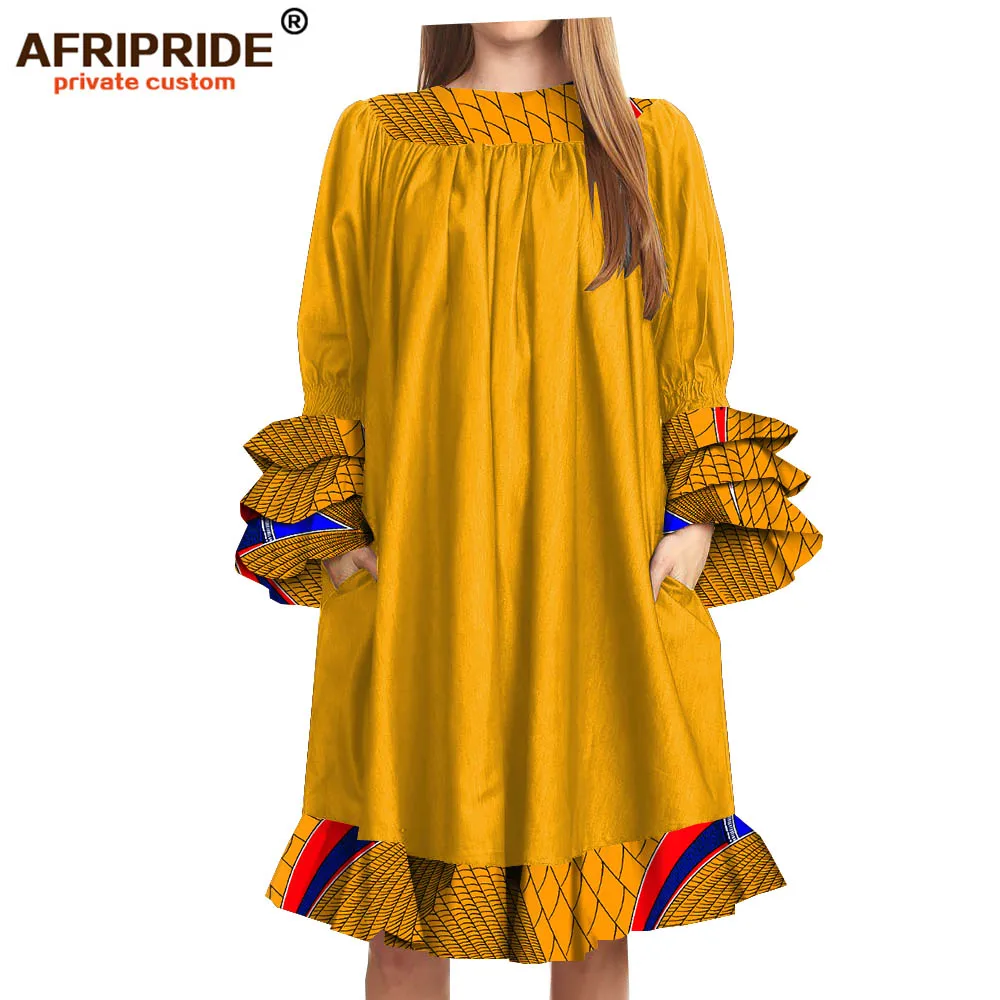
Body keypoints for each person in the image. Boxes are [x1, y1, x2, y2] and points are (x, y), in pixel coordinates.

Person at [235, 17, 822, 999]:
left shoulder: (649, 139)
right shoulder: (377, 139)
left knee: (591, 913)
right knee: (403, 918)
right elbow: (337, 345)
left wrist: (692, 522)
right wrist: (336, 537)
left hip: (600, 562)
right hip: (423, 567)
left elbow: (688, 345)